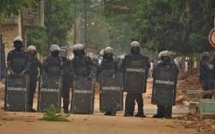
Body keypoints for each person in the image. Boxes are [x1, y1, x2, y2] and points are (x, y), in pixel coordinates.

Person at [122, 41, 150, 117]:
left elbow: (122, 67)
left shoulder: (127, 57)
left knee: (130, 97)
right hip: (139, 82)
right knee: (138, 97)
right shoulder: (143, 58)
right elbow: (148, 67)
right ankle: (140, 112)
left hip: (130, 81)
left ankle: (128, 112)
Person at [153, 50, 179, 118]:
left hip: (166, 85)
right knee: (161, 99)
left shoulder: (171, 65)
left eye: (165, 57)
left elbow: (176, 73)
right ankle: (162, 114)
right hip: (164, 85)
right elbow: (154, 74)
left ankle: (166, 114)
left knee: (168, 100)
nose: (165, 58)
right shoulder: (161, 64)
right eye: (164, 57)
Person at [97, 47, 120, 116]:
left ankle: (112, 110)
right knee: (108, 95)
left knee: (111, 95)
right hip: (107, 81)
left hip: (111, 81)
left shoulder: (113, 61)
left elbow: (117, 71)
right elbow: (100, 70)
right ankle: (109, 110)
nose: (108, 56)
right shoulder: (105, 61)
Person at [26, 45, 42, 112]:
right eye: (31, 51)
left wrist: (40, 75)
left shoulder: (35, 59)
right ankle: (25, 106)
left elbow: (41, 66)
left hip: (33, 78)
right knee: (25, 91)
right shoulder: (25, 58)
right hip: (26, 77)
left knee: (32, 92)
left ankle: (30, 106)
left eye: (33, 51)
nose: (32, 52)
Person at [59, 47, 71, 113]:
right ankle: (55, 107)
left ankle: (66, 108)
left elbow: (71, 70)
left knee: (66, 94)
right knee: (56, 92)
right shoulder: (57, 60)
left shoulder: (69, 62)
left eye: (64, 52)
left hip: (66, 79)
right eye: (61, 52)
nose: (62, 54)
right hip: (58, 79)